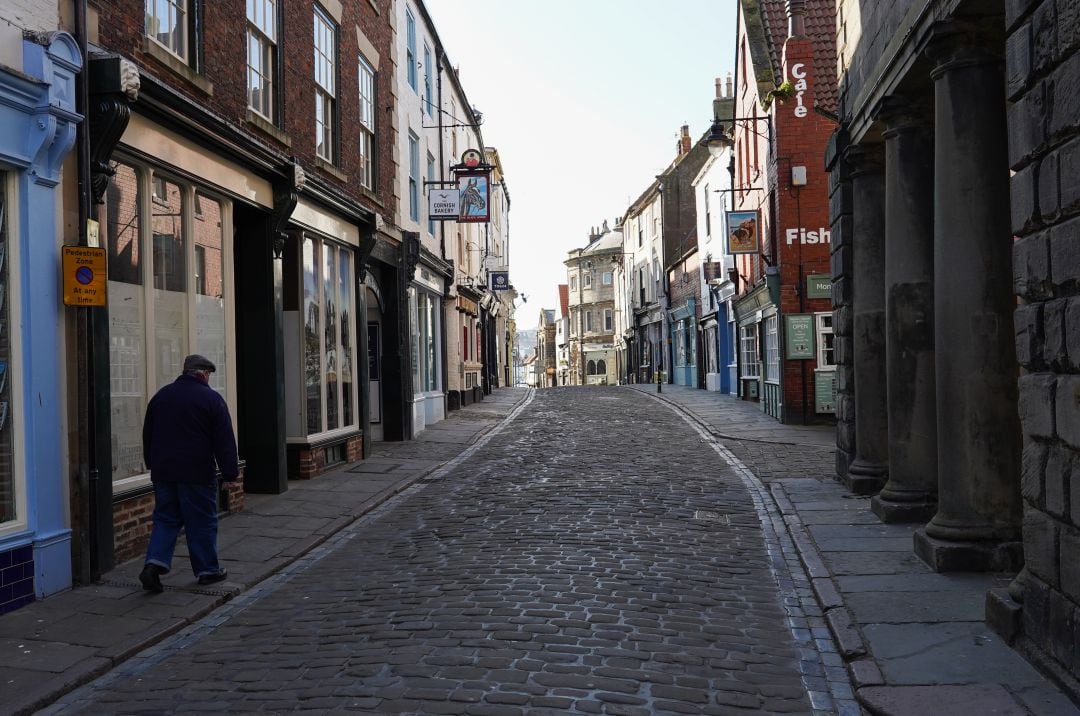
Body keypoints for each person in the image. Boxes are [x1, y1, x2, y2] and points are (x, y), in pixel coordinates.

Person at [139, 354, 239, 593]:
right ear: (203, 373)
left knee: (165, 518)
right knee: (202, 521)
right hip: (196, 472)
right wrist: (230, 473)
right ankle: (208, 570)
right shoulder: (211, 399)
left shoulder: (161, 397)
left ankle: (153, 565)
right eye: (209, 375)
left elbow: (148, 434)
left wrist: (152, 463)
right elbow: (224, 441)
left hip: (164, 472)